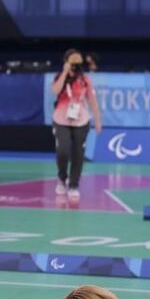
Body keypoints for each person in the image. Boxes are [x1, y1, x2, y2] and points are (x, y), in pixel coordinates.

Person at [50, 49, 101, 202]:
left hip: (81, 121)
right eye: (72, 62)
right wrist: (65, 72)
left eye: (77, 62)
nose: (75, 65)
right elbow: (54, 91)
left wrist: (98, 120)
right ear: (66, 62)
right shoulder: (59, 77)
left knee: (78, 154)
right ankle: (62, 178)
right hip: (61, 120)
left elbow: (92, 101)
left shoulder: (85, 80)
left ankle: (73, 185)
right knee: (63, 151)